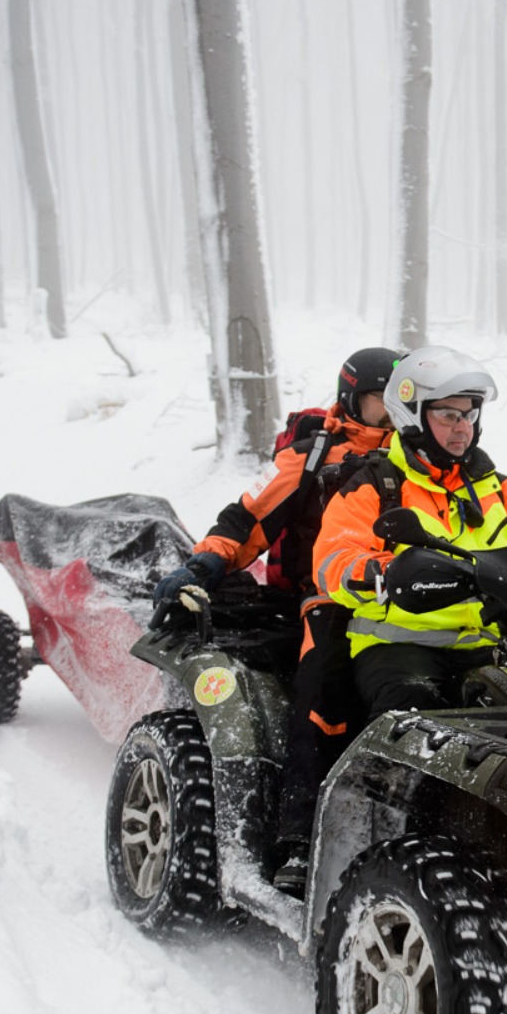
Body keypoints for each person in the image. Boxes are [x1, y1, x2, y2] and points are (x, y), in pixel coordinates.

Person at [152, 346, 402, 890]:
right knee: (321, 695)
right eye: (379, 401)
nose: (391, 413)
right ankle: (298, 837)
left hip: (416, 606)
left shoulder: (424, 453)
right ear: (351, 397)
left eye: (400, 401)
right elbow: (253, 517)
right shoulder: (320, 455)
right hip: (327, 596)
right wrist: (204, 564)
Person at [312, 345, 507, 730]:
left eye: (469, 414)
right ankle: (375, 791)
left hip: (487, 648)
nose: (462, 426)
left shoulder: (498, 488)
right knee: (412, 715)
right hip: (399, 647)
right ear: (413, 416)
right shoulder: (375, 485)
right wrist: (389, 574)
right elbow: (333, 562)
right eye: (448, 414)